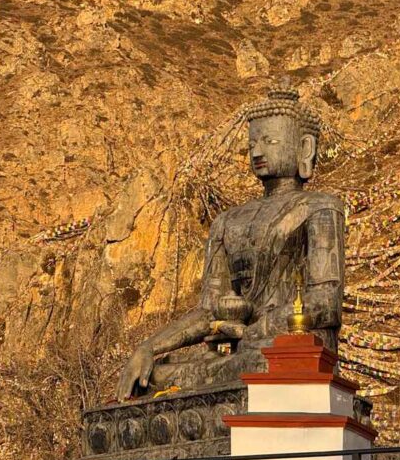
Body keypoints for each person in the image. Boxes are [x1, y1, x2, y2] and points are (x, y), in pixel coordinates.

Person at [115, 87, 345, 399]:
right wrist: (149, 346)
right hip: (239, 352)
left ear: (304, 147)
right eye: (252, 144)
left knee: (257, 360)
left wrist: (256, 329)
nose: (257, 152)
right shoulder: (227, 221)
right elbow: (210, 309)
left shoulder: (319, 207)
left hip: (287, 347)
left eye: (270, 141)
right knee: (153, 375)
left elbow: (326, 302)